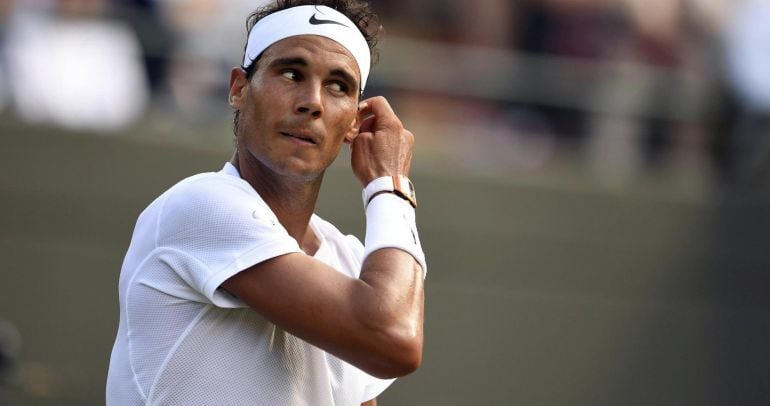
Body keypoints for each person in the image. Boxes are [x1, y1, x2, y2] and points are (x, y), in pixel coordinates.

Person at [105, 1, 427, 405]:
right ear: (238, 88)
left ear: (353, 124)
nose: (312, 101)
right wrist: (390, 185)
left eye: (338, 86)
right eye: (291, 73)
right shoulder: (201, 204)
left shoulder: (348, 261)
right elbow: (394, 337)